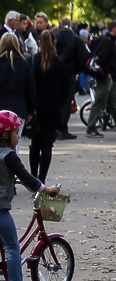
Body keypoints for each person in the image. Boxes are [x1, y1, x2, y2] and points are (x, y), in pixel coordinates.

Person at [0, 109, 60, 281]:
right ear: (5, 134)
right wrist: (46, 189)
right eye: (16, 133)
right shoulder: (9, 156)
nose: (19, 136)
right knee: (11, 247)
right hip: (0, 210)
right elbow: (27, 178)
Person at [29, 30, 72, 183]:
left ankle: (33, 177)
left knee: (35, 144)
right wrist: (59, 103)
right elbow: (65, 89)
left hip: (36, 108)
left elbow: (29, 85)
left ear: (39, 42)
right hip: (53, 108)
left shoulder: (34, 61)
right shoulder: (60, 64)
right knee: (47, 144)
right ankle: (42, 179)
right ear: (54, 43)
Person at [85, 21, 116, 135]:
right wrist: (107, 72)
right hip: (107, 77)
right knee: (101, 101)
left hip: (111, 76)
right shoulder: (107, 42)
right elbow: (102, 58)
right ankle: (91, 127)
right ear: (114, 30)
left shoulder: (109, 41)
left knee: (114, 102)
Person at [0, 31, 35, 127]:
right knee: (14, 141)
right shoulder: (24, 64)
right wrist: (30, 111)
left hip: (1, 108)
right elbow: (30, 90)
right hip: (18, 109)